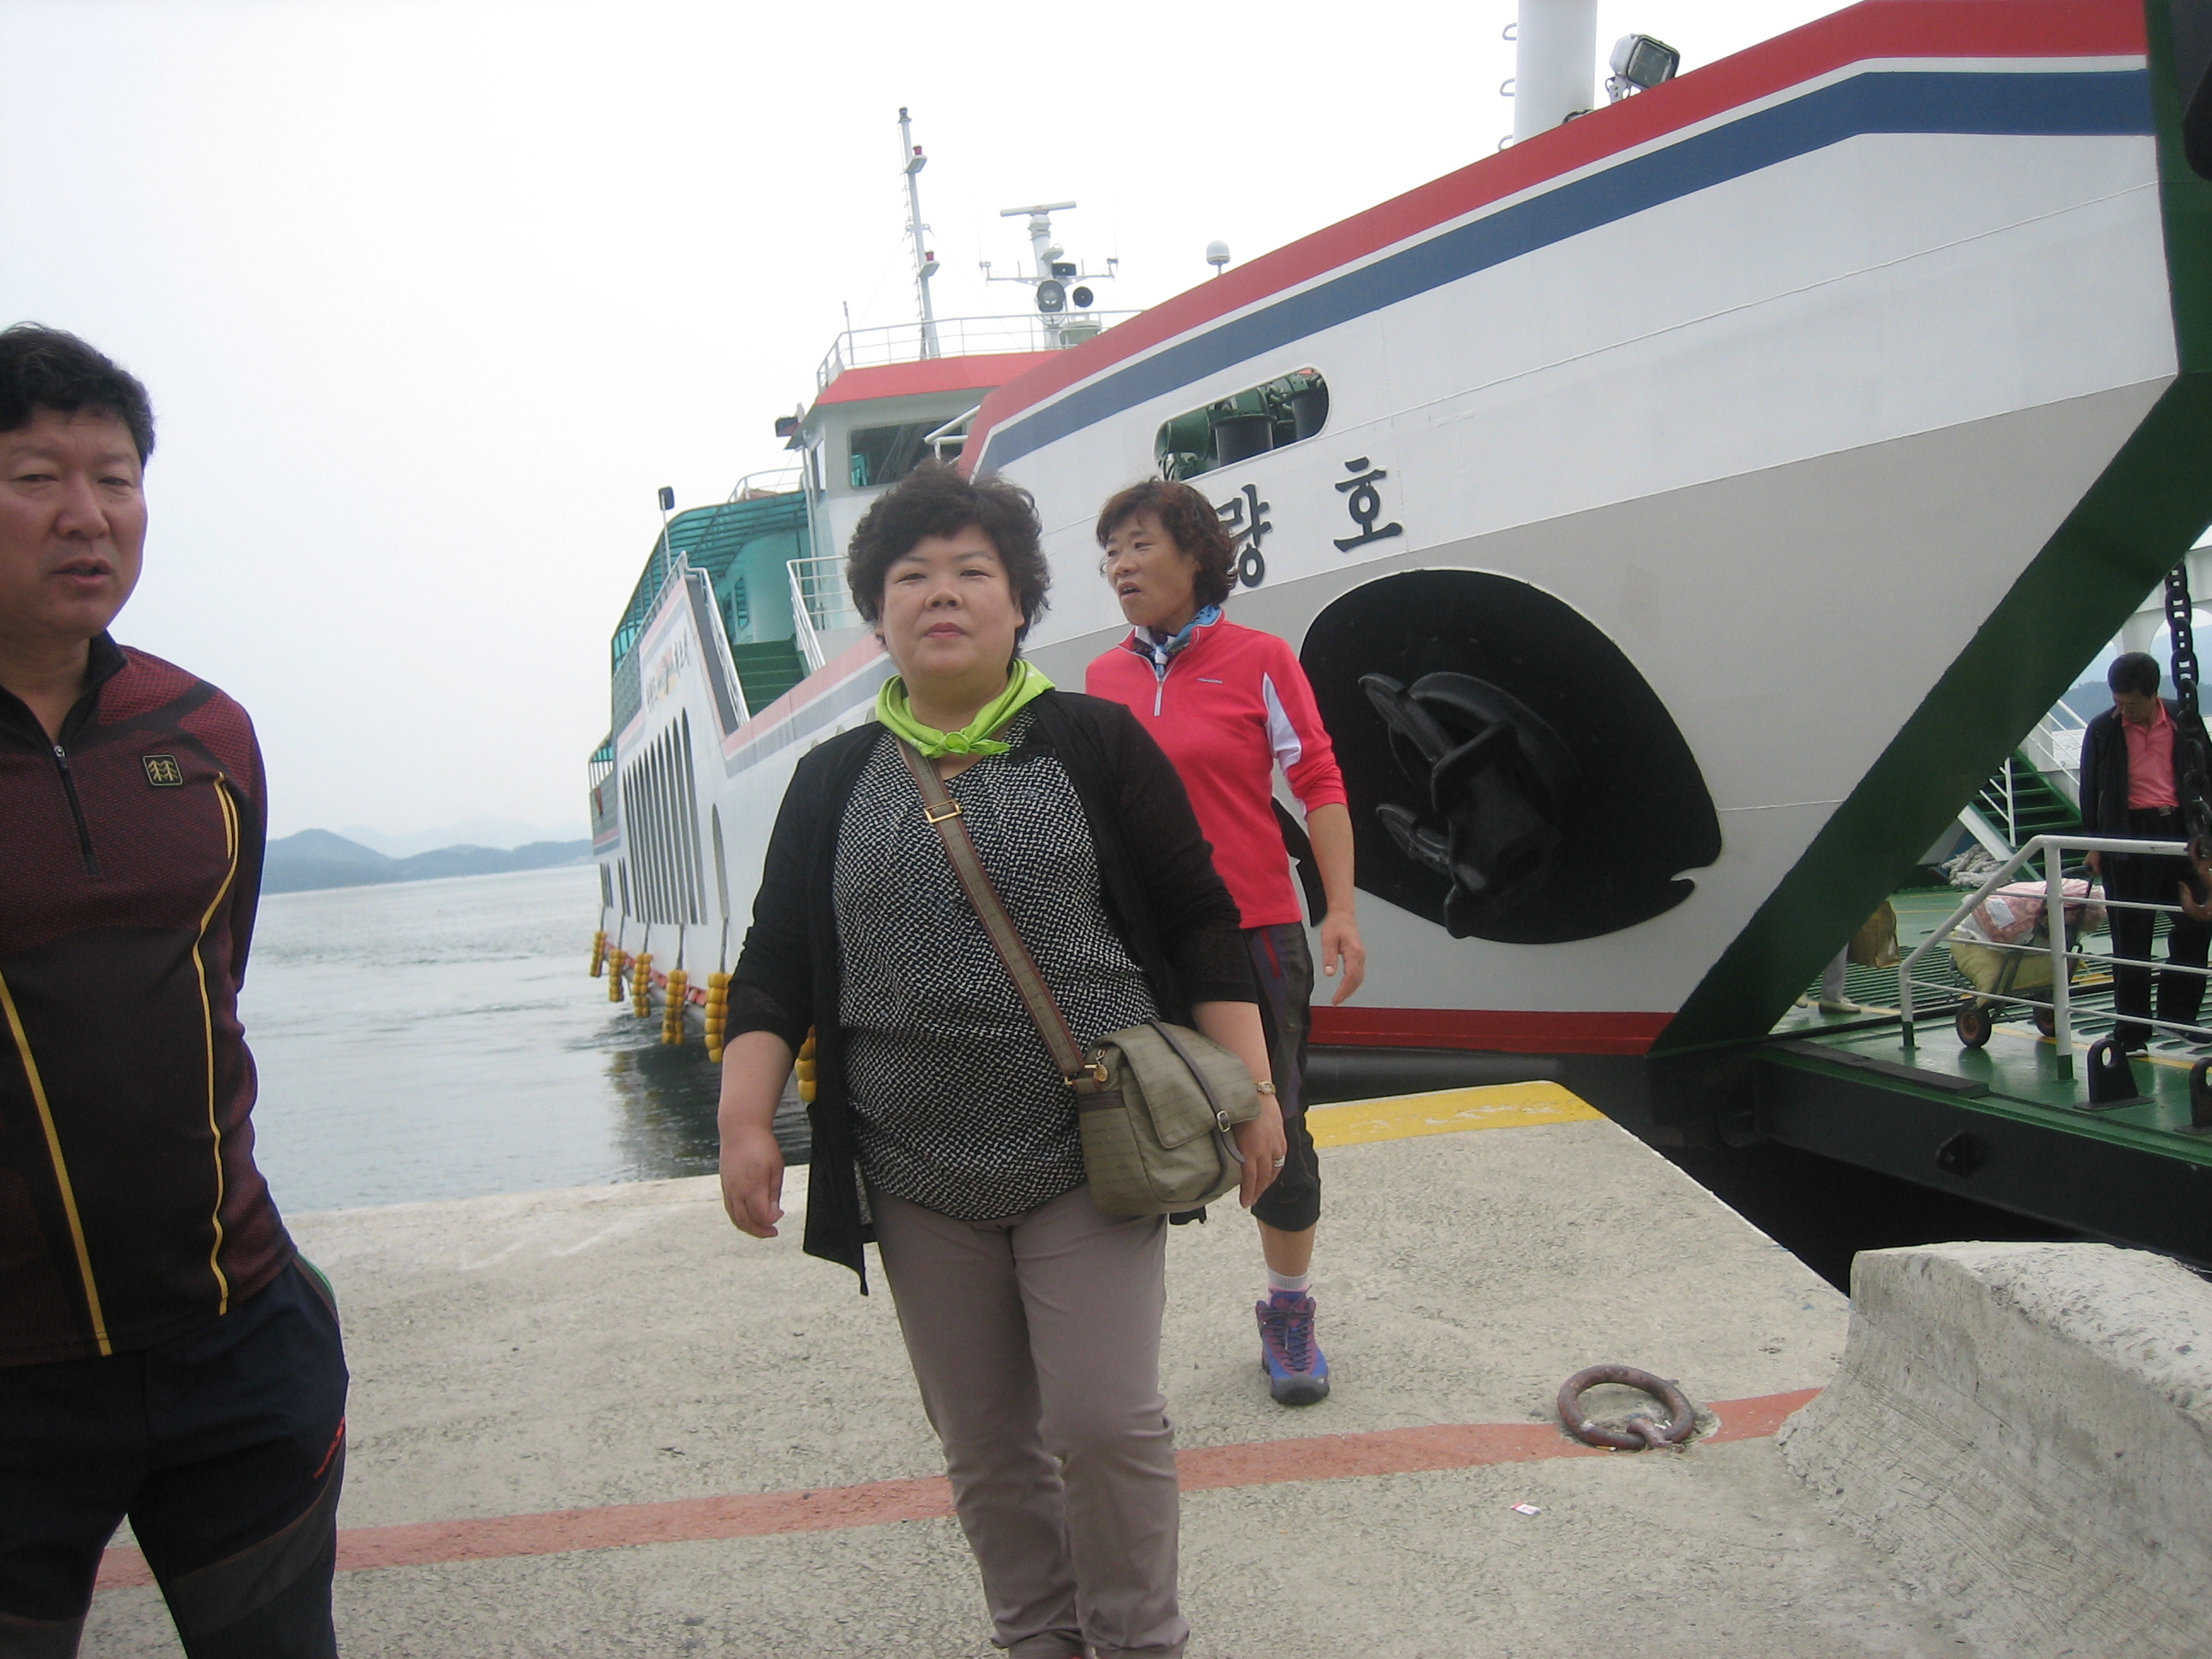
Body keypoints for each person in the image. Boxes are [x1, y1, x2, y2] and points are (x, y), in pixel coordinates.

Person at [715, 463, 1286, 1659]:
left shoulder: (1096, 744)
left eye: (972, 571)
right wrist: (745, 1121)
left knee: (1104, 1421)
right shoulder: (831, 783)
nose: (942, 593)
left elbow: (1199, 923)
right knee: (984, 1443)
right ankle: (1038, 1636)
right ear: (876, 616)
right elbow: (774, 966)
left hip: (1092, 1148)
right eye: (911, 576)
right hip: (914, 1164)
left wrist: (1256, 1094)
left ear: (1020, 602)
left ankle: (1138, 1639)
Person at [0, 325, 346, 1657]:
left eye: (117, 478)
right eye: (37, 478)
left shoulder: (206, 735)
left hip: (235, 1350)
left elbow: (213, 984)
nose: (86, 515)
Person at [1085, 479, 1365, 1407]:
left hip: (1254, 932)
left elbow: (1318, 781)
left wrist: (1338, 908)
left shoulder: (1260, 659)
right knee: (1127, 1128)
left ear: (1196, 555)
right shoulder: (1103, 679)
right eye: (1110, 552)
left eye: (1138, 545)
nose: (1120, 566)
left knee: (1273, 1125)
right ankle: (1113, 1338)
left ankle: (1289, 1309)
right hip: (1139, 943)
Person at [2078, 650, 2212, 1049]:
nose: (2123, 710)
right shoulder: (2103, 729)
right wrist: (2094, 845)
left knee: (2197, 924)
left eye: (2131, 704)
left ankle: (2178, 1015)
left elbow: (2208, 776)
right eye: (2117, 702)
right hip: (2128, 836)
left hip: (2181, 833)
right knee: (2131, 936)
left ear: (2153, 695)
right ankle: (2132, 1030)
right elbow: (2090, 790)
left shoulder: (2185, 721)